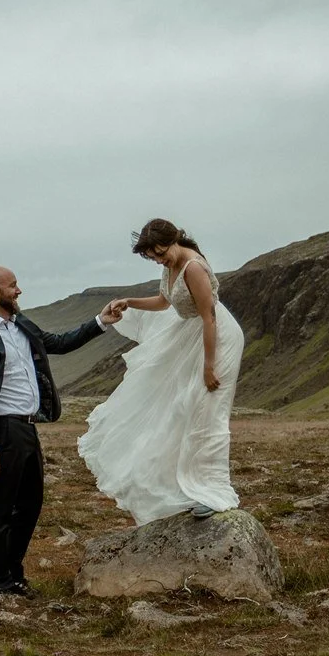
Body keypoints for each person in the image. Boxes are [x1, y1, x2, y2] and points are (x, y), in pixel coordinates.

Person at [0, 264, 124, 598]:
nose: (18, 291)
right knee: (1, 510)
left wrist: (99, 321)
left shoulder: (22, 325)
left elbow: (58, 343)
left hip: (28, 429)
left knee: (31, 504)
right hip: (3, 430)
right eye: (13, 285)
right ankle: (1, 583)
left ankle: (14, 573)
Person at [77, 219, 244, 524]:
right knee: (181, 409)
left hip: (216, 340)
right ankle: (189, 486)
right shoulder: (171, 266)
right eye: (153, 257)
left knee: (207, 409)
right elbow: (164, 302)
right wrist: (130, 301)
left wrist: (209, 366)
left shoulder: (193, 267)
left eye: (160, 253)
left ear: (174, 239)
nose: (158, 259)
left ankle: (214, 492)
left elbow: (209, 318)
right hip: (192, 335)